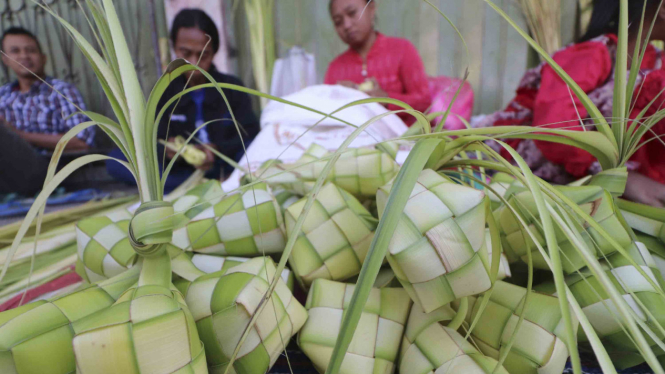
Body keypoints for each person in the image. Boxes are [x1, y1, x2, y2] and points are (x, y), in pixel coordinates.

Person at [475, 0, 665, 207]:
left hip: (592, 183)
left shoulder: (657, 64)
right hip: (519, 170)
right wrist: (623, 179)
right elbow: (553, 128)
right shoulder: (592, 54)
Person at [106, 9, 259, 190]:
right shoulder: (164, 91)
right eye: (186, 53)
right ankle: (207, 186)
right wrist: (169, 151)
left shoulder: (232, 88)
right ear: (175, 49)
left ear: (214, 51)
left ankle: (209, 184)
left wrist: (216, 149)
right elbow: (152, 141)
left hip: (223, 166)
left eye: (203, 55)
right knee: (116, 161)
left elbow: (252, 135)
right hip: (181, 171)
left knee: (252, 152)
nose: (194, 63)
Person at [0, 27, 93, 195]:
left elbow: (81, 141)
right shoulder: (3, 95)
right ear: (5, 59)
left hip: (46, 169)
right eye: (15, 51)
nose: (24, 56)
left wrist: (17, 134)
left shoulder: (61, 91)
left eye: (31, 50)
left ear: (43, 58)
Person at [325, 0, 432, 126]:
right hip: (354, 143)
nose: (347, 25)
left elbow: (424, 103)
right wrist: (339, 97)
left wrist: (386, 99)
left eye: (352, 13)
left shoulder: (402, 50)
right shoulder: (335, 69)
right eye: (338, 22)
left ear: (371, 7)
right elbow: (325, 116)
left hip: (405, 141)